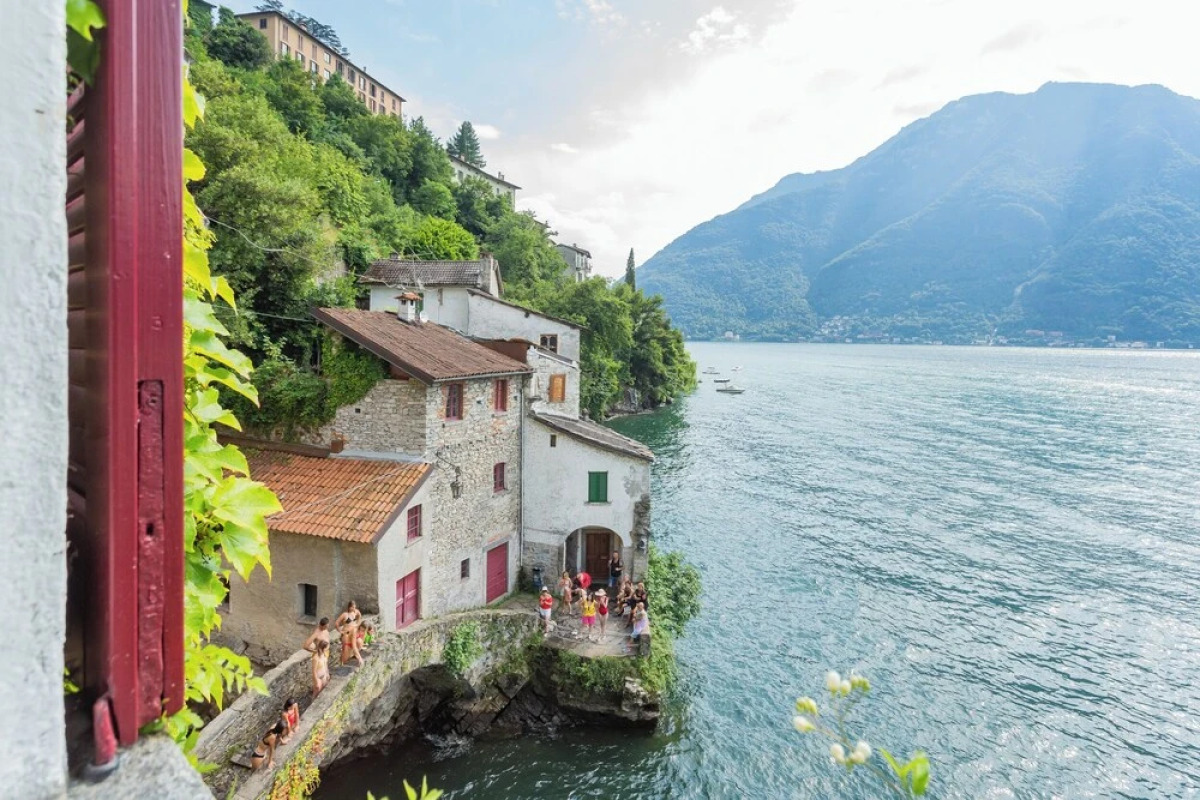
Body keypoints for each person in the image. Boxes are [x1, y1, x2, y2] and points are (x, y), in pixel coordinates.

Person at [336, 601, 363, 667]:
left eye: (354, 607)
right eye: (352, 607)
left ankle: (354, 656)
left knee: (357, 643)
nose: (354, 608)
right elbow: (336, 623)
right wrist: (340, 631)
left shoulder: (356, 612)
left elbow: (360, 616)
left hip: (353, 632)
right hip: (346, 634)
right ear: (349, 607)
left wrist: (357, 624)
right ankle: (342, 663)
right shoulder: (345, 614)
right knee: (345, 650)